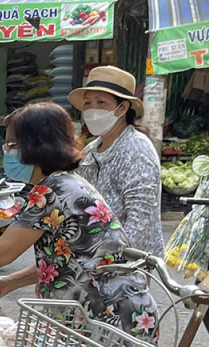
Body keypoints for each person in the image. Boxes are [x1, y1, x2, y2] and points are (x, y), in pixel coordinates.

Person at [0, 102, 159, 342]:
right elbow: (68, 259)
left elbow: (1, 252)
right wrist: (12, 281)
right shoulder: (68, 183)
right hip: (120, 314)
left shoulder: (51, 192)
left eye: (12, 145)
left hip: (109, 318)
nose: (7, 152)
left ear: (34, 146)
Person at [71, 66, 164, 256]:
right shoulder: (91, 149)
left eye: (101, 102)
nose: (92, 109)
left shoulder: (137, 150)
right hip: (93, 257)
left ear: (122, 108)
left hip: (127, 263)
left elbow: (139, 222)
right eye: (88, 103)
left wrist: (111, 261)